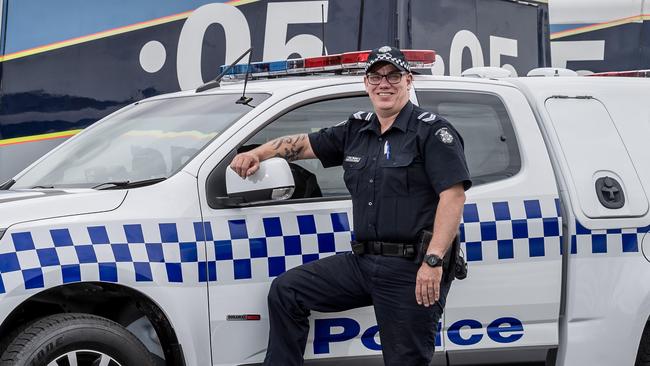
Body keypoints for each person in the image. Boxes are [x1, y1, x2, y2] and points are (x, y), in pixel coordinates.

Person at [229, 46, 472, 366]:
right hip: (364, 263)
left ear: (408, 81)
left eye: (393, 75)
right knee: (287, 292)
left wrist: (432, 261)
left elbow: (453, 197)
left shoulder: (431, 131)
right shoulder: (358, 130)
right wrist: (257, 155)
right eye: (376, 76)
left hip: (410, 269)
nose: (384, 83)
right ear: (366, 83)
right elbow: (302, 144)